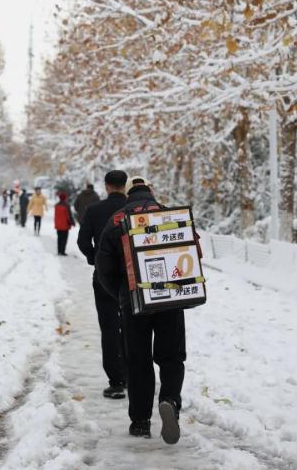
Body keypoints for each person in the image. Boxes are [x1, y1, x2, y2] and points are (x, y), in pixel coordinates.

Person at [96, 176, 186, 445]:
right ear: (151, 192)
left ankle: (140, 421)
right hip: (170, 298)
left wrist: (123, 294)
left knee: (137, 361)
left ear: (128, 195)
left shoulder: (116, 221)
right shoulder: (167, 215)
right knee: (171, 357)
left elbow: (104, 270)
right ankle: (170, 399)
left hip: (134, 302)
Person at [77, 169, 128, 399]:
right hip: (132, 277)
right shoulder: (134, 210)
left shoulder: (94, 210)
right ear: (124, 186)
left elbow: (82, 241)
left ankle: (116, 381)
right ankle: (133, 374)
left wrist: (96, 259)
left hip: (104, 277)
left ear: (106, 186)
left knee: (108, 328)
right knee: (131, 327)